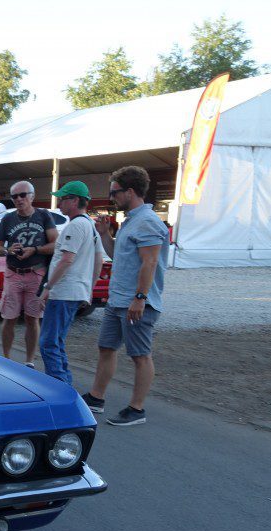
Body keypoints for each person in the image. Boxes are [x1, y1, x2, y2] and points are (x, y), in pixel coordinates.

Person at [81, 166, 169, 427]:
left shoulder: (149, 222)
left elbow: (150, 263)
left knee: (140, 355)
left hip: (137, 303)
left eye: (115, 192)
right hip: (118, 300)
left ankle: (136, 408)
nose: (112, 198)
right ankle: (96, 398)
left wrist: (140, 298)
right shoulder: (133, 220)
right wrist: (105, 235)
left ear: (130, 191)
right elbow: (119, 254)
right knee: (106, 348)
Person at [38, 181, 104, 385]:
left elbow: (67, 259)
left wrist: (48, 287)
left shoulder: (75, 226)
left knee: (49, 342)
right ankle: (64, 384)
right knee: (56, 341)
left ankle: (59, 386)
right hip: (76, 291)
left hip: (64, 291)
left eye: (62, 199)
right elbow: (99, 259)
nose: (59, 204)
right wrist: (89, 288)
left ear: (75, 201)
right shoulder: (90, 226)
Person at [0, 180, 58, 368]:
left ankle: (30, 361)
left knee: (32, 317)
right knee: (9, 317)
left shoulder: (44, 216)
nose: (19, 199)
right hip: (13, 273)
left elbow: (56, 244)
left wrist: (35, 249)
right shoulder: (7, 219)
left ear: (32, 196)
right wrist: (7, 249)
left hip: (36, 273)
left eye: (23, 195)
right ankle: (5, 358)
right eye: (15, 196)